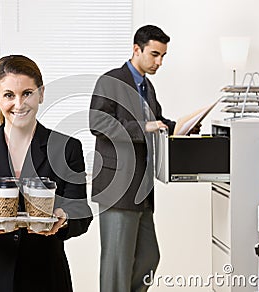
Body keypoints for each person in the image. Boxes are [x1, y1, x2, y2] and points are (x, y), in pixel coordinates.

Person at [0, 55, 93, 292]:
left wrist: (64, 217)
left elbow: (81, 211)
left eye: (27, 93)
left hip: (47, 276)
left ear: (41, 94)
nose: (19, 104)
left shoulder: (67, 148)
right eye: (8, 95)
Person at [89, 24, 176, 292]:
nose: (159, 62)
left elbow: (157, 122)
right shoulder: (111, 80)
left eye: (162, 56)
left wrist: (181, 126)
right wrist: (143, 126)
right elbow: (97, 123)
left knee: (150, 258)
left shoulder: (147, 87)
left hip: (142, 189)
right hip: (118, 187)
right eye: (154, 54)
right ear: (136, 49)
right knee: (117, 266)